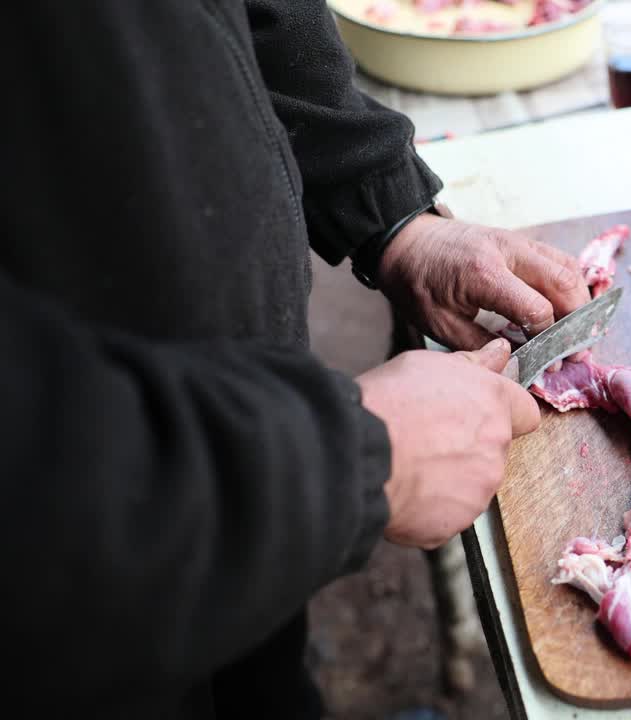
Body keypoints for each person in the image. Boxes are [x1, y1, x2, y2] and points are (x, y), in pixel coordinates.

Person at [0, 2, 589, 717]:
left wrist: (390, 214)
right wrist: (352, 459)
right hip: (86, 607)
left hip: (252, 492)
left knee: (268, 683)